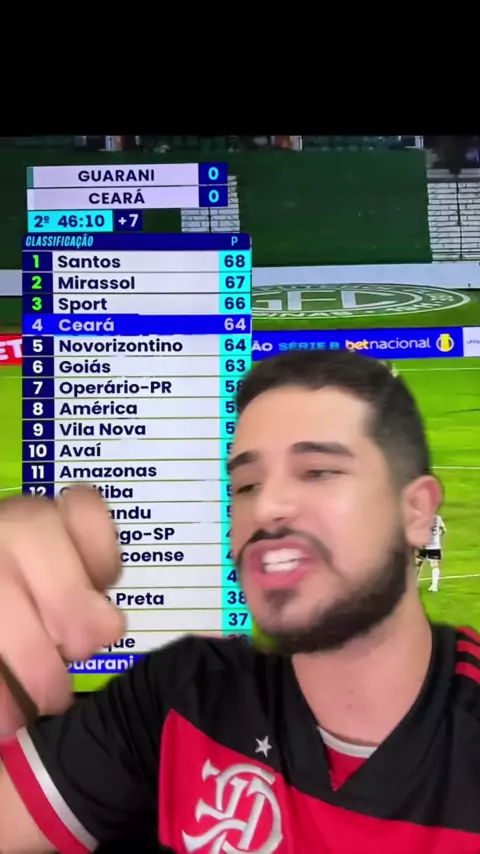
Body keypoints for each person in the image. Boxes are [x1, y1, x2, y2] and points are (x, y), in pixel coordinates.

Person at [0, 350, 479, 853]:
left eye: (318, 471)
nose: (266, 507)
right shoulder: (180, 700)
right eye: (246, 485)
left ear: (417, 511)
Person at [416, 514, 446, 592]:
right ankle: (434, 586)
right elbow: (443, 530)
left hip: (423, 546)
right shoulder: (438, 518)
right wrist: (437, 538)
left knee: (418, 564)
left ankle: (415, 583)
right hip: (435, 546)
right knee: (434, 565)